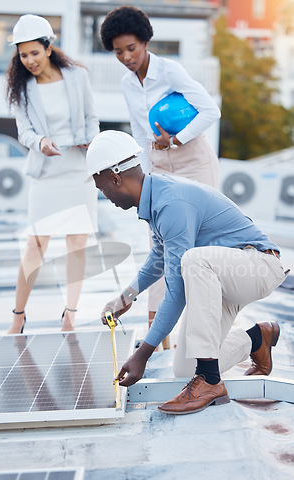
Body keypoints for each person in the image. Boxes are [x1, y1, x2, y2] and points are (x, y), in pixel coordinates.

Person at [85, 130, 288, 416]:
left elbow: (177, 287)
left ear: (116, 179)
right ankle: (258, 338)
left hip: (257, 266)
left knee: (192, 261)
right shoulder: (155, 200)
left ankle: (209, 381)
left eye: (103, 189)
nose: (105, 197)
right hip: (225, 274)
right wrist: (126, 297)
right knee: (183, 369)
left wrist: (143, 354)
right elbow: (159, 258)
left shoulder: (171, 203)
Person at [100, 6, 221, 345]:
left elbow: (211, 110)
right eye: (118, 51)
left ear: (145, 42)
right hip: (158, 164)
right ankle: (160, 335)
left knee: (197, 248)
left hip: (194, 160)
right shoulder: (127, 84)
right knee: (160, 243)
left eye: (131, 48)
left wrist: (177, 139)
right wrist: (145, 175)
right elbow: (140, 135)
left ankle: (200, 330)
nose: (126, 57)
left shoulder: (170, 71)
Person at [6, 14, 99, 334]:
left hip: (78, 171)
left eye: (34, 52)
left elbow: (92, 118)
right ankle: (18, 316)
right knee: (35, 246)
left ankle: (70, 315)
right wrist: (40, 141)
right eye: (23, 54)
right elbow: (24, 132)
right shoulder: (21, 87)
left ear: (48, 47)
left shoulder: (76, 76)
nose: (29, 60)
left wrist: (90, 139)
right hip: (46, 174)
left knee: (76, 244)